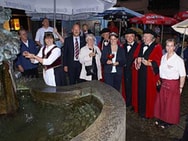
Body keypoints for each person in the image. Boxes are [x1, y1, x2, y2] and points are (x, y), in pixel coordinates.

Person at [154, 39, 186, 128]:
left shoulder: (178, 60)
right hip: (163, 82)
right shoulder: (163, 57)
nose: (169, 48)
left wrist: (180, 87)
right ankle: (162, 117)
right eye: (168, 45)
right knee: (162, 102)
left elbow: (182, 75)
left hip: (173, 84)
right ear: (165, 46)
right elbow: (161, 71)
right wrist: (160, 80)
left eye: (171, 46)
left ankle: (169, 121)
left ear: (174, 47)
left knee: (170, 104)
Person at [133, 29, 163, 118]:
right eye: (144, 36)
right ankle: (141, 111)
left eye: (146, 37)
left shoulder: (157, 47)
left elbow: (160, 61)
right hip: (140, 73)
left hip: (150, 75)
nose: (144, 38)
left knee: (149, 94)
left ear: (152, 38)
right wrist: (137, 60)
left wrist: (150, 63)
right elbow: (135, 56)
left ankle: (148, 113)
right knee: (140, 92)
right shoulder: (140, 46)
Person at [123, 29, 141, 107]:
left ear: (134, 37)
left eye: (131, 36)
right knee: (126, 86)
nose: (129, 38)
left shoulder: (139, 46)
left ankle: (134, 103)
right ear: (125, 38)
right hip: (125, 70)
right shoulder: (122, 46)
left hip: (135, 71)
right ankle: (128, 102)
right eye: (128, 36)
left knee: (134, 87)